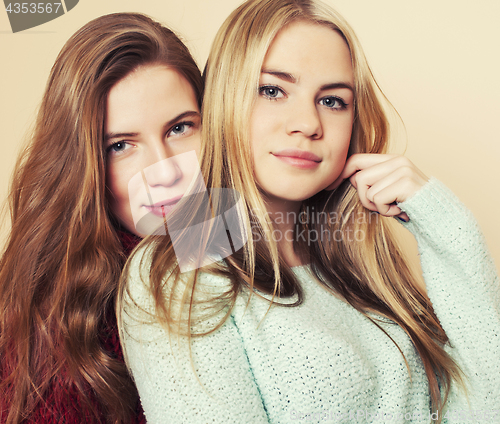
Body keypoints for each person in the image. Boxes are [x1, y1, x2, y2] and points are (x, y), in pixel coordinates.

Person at [118, 0, 500, 422]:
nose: (308, 123)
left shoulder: (364, 264)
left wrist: (446, 224)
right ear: (224, 102)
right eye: (272, 90)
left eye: (334, 101)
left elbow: (484, 407)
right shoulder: (177, 270)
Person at [0, 12, 203, 424]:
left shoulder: (225, 237)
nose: (164, 172)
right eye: (121, 146)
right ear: (82, 165)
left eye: (180, 128)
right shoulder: (66, 312)